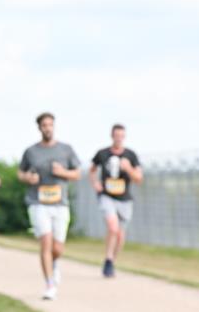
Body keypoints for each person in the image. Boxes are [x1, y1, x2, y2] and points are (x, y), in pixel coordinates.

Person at [18, 113, 81, 300]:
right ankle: (50, 284)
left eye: (50, 125)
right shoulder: (31, 152)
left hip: (60, 203)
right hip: (38, 203)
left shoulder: (66, 150)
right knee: (45, 241)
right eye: (44, 125)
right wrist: (28, 178)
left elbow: (77, 174)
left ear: (54, 127)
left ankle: (54, 263)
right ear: (39, 128)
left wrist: (63, 172)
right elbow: (20, 173)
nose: (47, 128)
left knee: (58, 248)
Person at [89, 124, 143, 277]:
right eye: (116, 135)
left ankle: (111, 260)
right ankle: (108, 258)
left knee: (120, 234)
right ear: (112, 136)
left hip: (124, 199)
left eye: (121, 136)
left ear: (124, 137)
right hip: (107, 196)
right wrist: (95, 183)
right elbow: (92, 170)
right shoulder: (102, 153)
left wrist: (128, 169)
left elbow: (139, 179)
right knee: (113, 227)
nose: (118, 138)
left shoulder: (131, 155)